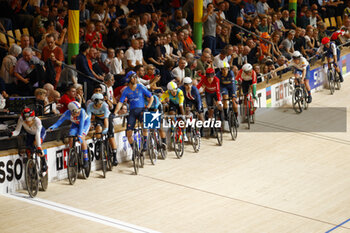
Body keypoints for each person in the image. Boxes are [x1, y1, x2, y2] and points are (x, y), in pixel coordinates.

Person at [114, 71, 154, 152]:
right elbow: (120, 102)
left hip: (142, 110)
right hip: (132, 112)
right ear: (129, 79)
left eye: (136, 77)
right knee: (128, 133)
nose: (135, 79)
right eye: (133, 77)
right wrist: (115, 112)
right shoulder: (126, 90)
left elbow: (151, 97)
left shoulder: (140, 87)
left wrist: (148, 107)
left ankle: (145, 143)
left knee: (144, 125)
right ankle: (134, 150)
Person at [48, 101, 90, 168]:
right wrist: (53, 126)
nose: (79, 112)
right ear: (71, 112)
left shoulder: (82, 111)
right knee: (71, 137)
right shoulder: (67, 113)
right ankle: (72, 155)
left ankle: (86, 159)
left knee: (82, 138)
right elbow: (59, 121)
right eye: (77, 111)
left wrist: (79, 135)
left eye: (79, 110)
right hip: (75, 124)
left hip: (85, 124)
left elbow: (81, 125)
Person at [11, 108, 47, 172]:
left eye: (29, 121)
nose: (27, 123)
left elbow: (38, 134)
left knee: (36, 144)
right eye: (26, 121)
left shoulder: (37, 120)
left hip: (40, 132)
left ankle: (43, 162)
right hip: (30, 134)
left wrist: (39, 147)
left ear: (33, 118)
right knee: (28, 151)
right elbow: (17, 131)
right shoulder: (21, 119)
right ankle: (32, 167)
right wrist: (11, 133)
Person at [87, 93, 118, 166]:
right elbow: (88, 118)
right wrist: (86, 128)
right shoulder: (90, 106)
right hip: (98, 118)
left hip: (107, 118)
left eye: (102, 102)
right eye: (99, 103)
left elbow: (106, 119)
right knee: (98, 129)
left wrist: (106, 128)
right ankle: (98, 143)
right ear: (94, 102)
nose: (101, 104)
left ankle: (114, 156)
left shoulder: (105, 105)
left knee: (111, 136)